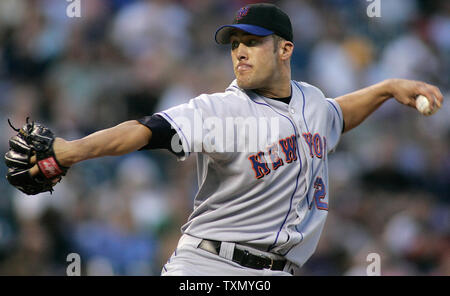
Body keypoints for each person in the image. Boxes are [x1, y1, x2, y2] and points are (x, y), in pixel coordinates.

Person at [7, 3, 443, 276]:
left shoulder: (312, 100)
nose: (239, 51)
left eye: (252, 42)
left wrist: (385, 89)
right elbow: (146, 130)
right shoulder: (221, 108)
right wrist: (71, 151)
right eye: (235, 42)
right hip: (210, 265)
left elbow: (337, 116)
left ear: (285, 50)